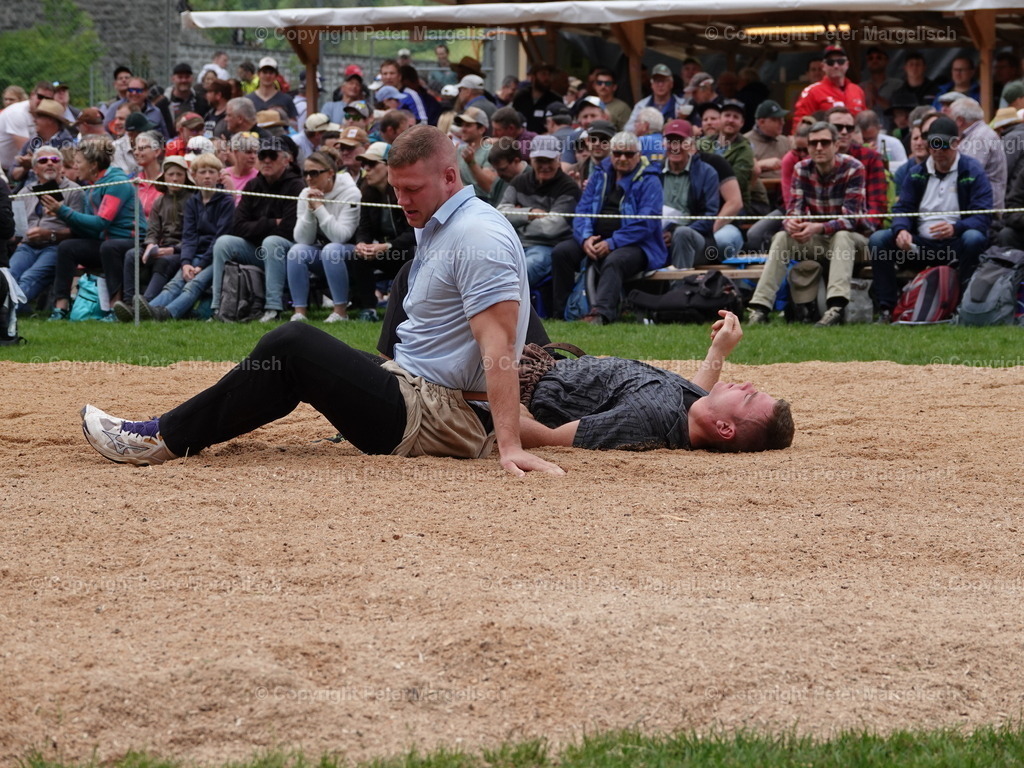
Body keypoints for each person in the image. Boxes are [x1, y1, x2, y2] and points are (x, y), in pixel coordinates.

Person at [80, 125, 566, 479]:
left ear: (450, 177)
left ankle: (160, 438)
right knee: (291, 361)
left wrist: (508, 447)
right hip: (423, 393)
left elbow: (498, 346)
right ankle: (181, 432)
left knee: (294, 342)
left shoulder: (477, 235)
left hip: (441, 417)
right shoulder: (444, 222)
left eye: (412, 188)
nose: (401, 200)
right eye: (395, 188)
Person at [521, 311, 794, 452]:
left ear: (724, 428)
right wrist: (719, 351)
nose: (747, 384)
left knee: (498, 283)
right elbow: (698, 396)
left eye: (749, 397)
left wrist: (501, 395)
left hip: (524, 377)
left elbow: (550, 439)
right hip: (547, 358)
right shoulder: (689, 415)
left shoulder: (645, 419)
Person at [746, 121, 869, 327]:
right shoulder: (801, 168)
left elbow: (851, 220)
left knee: (842, 236)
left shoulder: (854, 168)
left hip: (855, 242)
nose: (818, 148)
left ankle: (835, 308)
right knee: (782, 237)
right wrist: (793, 223)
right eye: (813, 143)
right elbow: (794, 209)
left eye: (824, 142)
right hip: (819, 238)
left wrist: (817, 227)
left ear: (836, 145)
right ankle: (760, 308)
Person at [870, 116, 993, 322]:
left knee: (974, 238)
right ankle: (887, 308)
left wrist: (956, 228)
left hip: (956, 245)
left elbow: (983, 215)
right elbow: (902, 208)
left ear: (956, 143)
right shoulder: (916, 173)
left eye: (944, 146)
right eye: (933, 145)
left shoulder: (973, 171)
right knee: (878, 240)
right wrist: (901, 230)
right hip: (920, 245)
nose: (938, 152)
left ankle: (963, 307)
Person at [550, 131, 666, 325]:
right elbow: (582, 211)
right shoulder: (599, 174)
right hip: (595, 237)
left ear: (638, 156)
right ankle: (559, 313)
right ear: (611, 154)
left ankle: (600, 314)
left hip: (639, 245)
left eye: (628, 154)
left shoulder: (650, 179)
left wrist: (613, 242)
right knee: (561, 252)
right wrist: (586, 238)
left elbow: (646, 222)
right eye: (618, 153)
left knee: (614, 260)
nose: (622, 158)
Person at [44, 137, 143, 320]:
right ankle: (61, 307)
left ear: (93, 165)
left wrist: (63, 210)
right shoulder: (91, 187)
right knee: (67, 248)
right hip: (107, 241)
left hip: (131, 241)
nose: (75, 166)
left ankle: (116, 309)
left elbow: (101, 223)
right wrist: (60, 215)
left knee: (109, 247)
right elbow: (92, 231)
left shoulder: (117, 183)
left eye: (79, 162)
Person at [210, 135, 304, 323]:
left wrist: (258, 226)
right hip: (256, 249)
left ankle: (273, 308)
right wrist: (270, 223)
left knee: (272, 242)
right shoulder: (253, 185)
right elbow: (237, 226)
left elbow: (288, 228)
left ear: (286, 160)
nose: (267, 160)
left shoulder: (297, 185)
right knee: (224, 242)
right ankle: (218, 306)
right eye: (263, 156)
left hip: (288, 252)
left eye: (272, 155)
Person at [139, 153, 235, 321]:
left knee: (194, 284)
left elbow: (219, 238)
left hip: (216, 258)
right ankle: (143, 312)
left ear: (218, 176)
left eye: (212, 172)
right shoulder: (193, 202)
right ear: (195, 176)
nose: (207, 176)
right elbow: (189, 236)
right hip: (195, 255)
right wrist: (186, 263)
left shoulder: (226, 202)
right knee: (174, 284)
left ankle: (166, 314)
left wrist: (200, 266)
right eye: (202, 172)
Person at [340, 141, 415, 321]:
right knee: (357, 255)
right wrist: (362, 244)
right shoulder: (367, 193)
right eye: (364, 165)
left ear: (389, 165)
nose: (366, 169)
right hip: (385, 250)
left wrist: (387, 246)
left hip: (408, 251)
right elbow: (364, 228)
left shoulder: (406, 192)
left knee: (412, 254)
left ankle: (409, 308)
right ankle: (368, 308)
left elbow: (415, 233)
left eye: (372, 164)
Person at [286, 146, 362, 323]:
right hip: (322, 250)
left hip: (352, 252)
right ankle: (299, 312)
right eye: (305, 173)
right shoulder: (306, 193)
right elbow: (302, 239)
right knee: (296, 251)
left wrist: (319, 208)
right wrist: (310, 210)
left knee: (332, 249)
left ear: (329, 173)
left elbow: (341, 236)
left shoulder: (351, 193)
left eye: (314, 173)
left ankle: (340, 312)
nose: (308, 179)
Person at [497, 133, 581, 286]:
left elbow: (552, 227)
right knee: (486, 267)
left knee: (518, 276)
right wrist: (530, 214)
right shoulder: (519, 181)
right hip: (514, 244)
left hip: (547, 247)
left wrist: (517, 222)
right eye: (539, 160)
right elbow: (500, 215)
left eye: (549, 160)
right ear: (530, 159)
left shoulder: (568, 187)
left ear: (559, 158)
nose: (544, 166)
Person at [116, 156, 193, 316]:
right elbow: (152, 231)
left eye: (179, 174)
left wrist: (173, 250)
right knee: (132, 255)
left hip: (182, 251)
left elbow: (193, 235)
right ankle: (129, 303)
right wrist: (150, 245)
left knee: (163, 262)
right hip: (161, 247)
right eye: (171, 174)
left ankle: (145, 304)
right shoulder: (159, 201)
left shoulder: (192, 201)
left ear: (185, 177)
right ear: (164, 176)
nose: (175, 178)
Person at [9, 146, 84, 309]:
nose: (50, 163)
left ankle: (9, 310)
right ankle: (10, 308)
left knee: (29, 277)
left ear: (61, 166)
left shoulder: (74, 191)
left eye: (55, 160)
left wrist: (49, 234)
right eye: (43, 160)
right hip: (27, 246)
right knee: (9, 275)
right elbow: (18, 229)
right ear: (35, 169)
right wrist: (20, 239)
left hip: (55, 247)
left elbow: (78, 230)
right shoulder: (24, 192)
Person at [660, 119, 720, 269]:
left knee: (682, 234)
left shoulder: (707, 172)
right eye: (670, 141)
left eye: (680, 141)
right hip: (658, 235)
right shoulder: (653, 173)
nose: (675, 147)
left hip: (696, 237)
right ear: (663, 144)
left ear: (691, 144)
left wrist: (674, 233)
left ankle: (678, 290)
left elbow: (710, 217)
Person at [948, 97, 1007, 209]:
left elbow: (967, 172)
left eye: (951, 119)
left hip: (985, 210)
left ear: (959, 120)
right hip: (980, 205)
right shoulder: (978, 133)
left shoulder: (980, 136)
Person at [792, 45, 867, 125]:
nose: (836, 66)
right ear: (823, 66)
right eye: (830, 62)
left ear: (847, 64)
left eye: (840, 61)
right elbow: (800, 123)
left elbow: (864, 121)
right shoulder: (812, 91)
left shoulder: (857, 90)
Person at [0, 82, 54, 172]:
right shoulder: (17, 113)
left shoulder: (44, 114)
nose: (43, 101)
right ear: (32, 95)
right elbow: (26, 150)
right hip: (4, 168)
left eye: (48, 99)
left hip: (20, 167)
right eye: (40, 97)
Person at [625, 64, 685, 133]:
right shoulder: (641, 105)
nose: (660, 84)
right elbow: (627, 129)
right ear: (652, 85)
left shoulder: (682, 104)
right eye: (657, 81)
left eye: (664, 81)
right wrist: (637, 129)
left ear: (671, 84)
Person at [454, 107, 496, 201]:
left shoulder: (490, 151)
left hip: (482, 202)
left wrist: (471, 162)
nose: (463, 129)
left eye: (468, 125)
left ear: (481, 129)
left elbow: (488, 187)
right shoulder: (458, 150)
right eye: (462, 125)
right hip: (459, 201)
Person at [512, 64, 562, 135]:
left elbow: (560, 126)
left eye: (549, 75)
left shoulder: (555, 100)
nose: (547, 78)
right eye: (543, 74)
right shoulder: (521, 97)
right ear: (533, 77)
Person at [247, 57, 297, 127]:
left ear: (276, 75)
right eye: (264, 72)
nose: (268, 76)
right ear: (258, 74)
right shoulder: (248, 100)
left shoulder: (286, 99)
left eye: (271, 73)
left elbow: (294, 125)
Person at [859, 47, 902, 113]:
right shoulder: (860, 87)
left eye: (879, 57)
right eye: (870, 58)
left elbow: (899, 111)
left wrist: (875, 95)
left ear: (886, 61)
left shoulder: (897, 85)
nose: (874, 61)